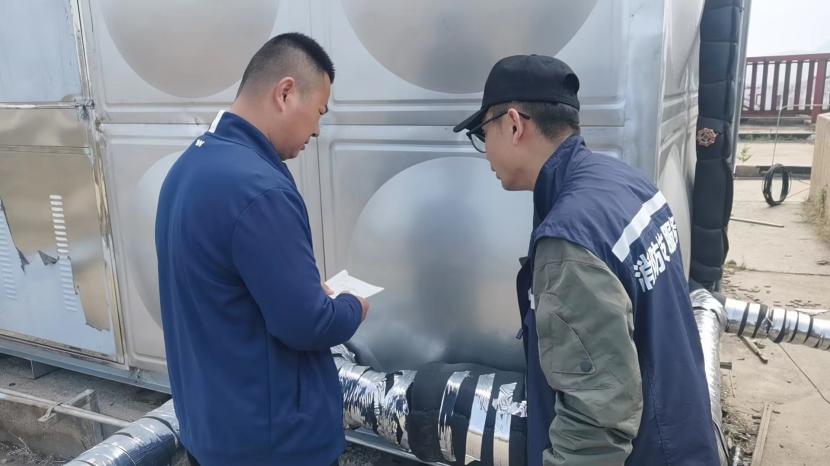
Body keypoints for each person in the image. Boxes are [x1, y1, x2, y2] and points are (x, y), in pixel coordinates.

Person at [453, 54, 720, 465]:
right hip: (681, 436)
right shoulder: (624, 181)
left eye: (482, 133)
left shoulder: (570, 239)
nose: (485, 150)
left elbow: (594, 425)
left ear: (514, 125)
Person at [155, 32, 368, 466]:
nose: (317, 130)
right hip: (272, 445)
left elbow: (230, 293)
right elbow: (308, 324)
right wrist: (353, 306)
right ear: (286, 93)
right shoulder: (259, 189)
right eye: (319, 112)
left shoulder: (189, 166)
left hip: (211, 431)